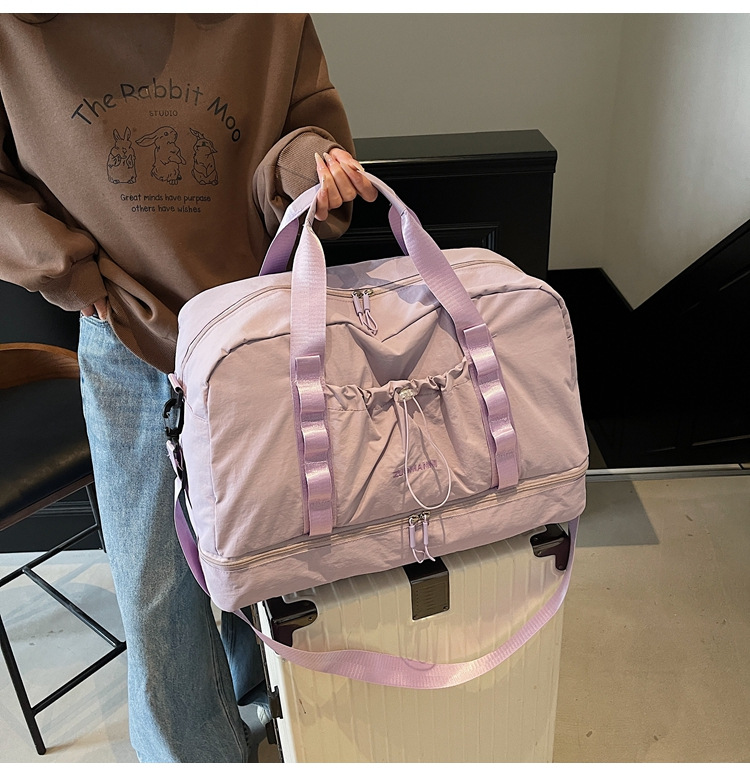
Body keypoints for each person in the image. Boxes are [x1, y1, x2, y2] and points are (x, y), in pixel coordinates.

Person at [0, 13, 376, 762]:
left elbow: (299, 125)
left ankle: (270, 710)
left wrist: (311, 167)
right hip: (124, 328)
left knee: (269, 546)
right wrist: (74, 276)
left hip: (253, 322)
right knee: (156, 583)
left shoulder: (267, 18)